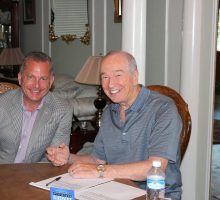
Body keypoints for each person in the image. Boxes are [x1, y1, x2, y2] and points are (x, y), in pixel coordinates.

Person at [47, 50, 182, 199]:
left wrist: (99, 171)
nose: (111, 84)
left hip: (155, 195)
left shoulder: (163, 108)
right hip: (114, 191)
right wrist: (68, 157)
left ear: (134, 76)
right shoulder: (109, 112)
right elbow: (97, 160)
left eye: (118, 75)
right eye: (105, 77)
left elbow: (154, 167)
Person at [0, 51, 73, 167]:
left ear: (51, 81)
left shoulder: (62, 109)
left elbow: (53, 158)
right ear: (20, 78)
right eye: (30, 77)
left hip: (35, 177)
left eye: (43, 78)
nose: (36, 85)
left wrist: (58, 159)